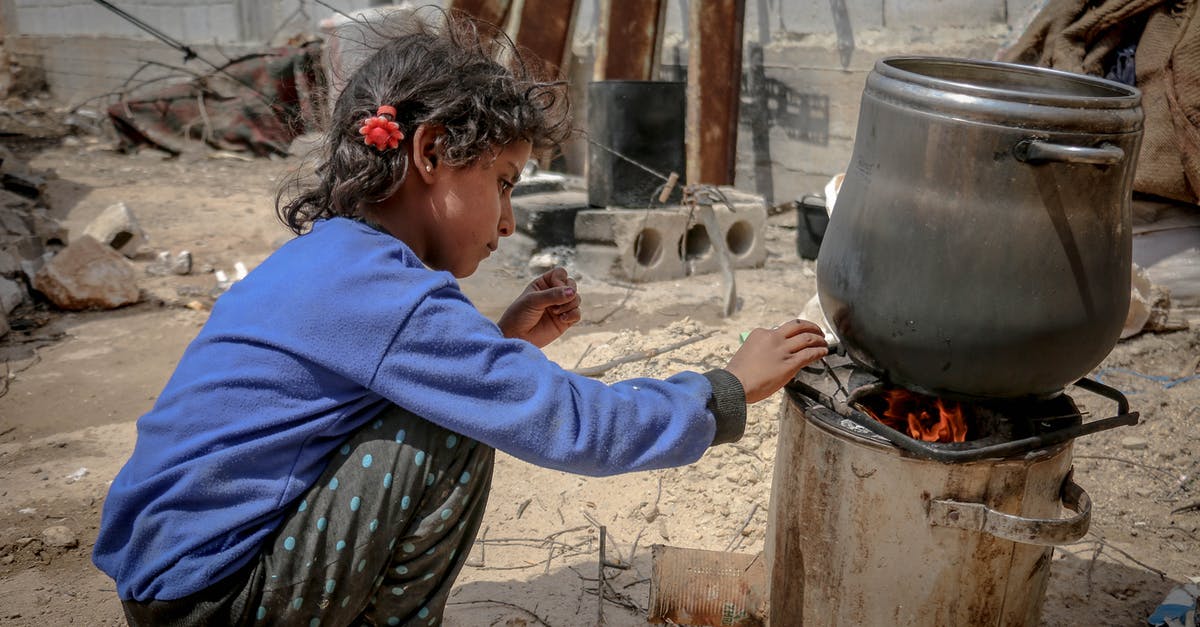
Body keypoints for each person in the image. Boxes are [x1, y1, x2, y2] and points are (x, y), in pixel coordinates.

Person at [92, 8, 828, 627]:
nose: (509, 221)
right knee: (453, 428)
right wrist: (726, 387)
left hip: (172, 576)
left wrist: (500, 339)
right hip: (212, 598)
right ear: (432, 152)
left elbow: (355, 389)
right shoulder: (395, 299)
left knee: (454, 405)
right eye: (503, 184)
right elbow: (573, 424)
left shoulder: (337, 259)